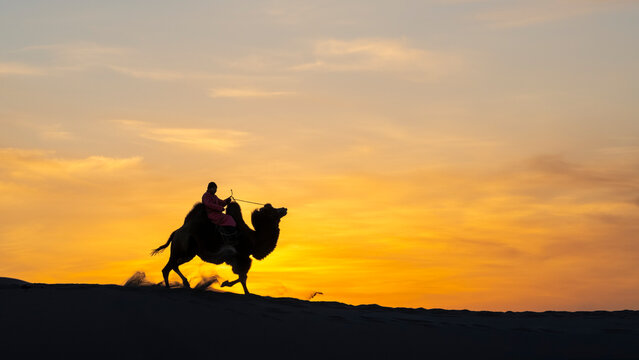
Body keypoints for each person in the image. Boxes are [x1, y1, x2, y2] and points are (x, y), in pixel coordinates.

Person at [202, 182, 237, 256]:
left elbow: (221, 202)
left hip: (217, 213)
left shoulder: (214, 196)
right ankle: (230, 236)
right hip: (211, 214)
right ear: (210, 188)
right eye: (214, 188)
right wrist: (219, 208)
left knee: (229, 218)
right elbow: (209, 204)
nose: (215, 190)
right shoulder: (205, 196)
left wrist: (227, 201)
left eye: (216, 189)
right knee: (229, 219)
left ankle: (229, 235)